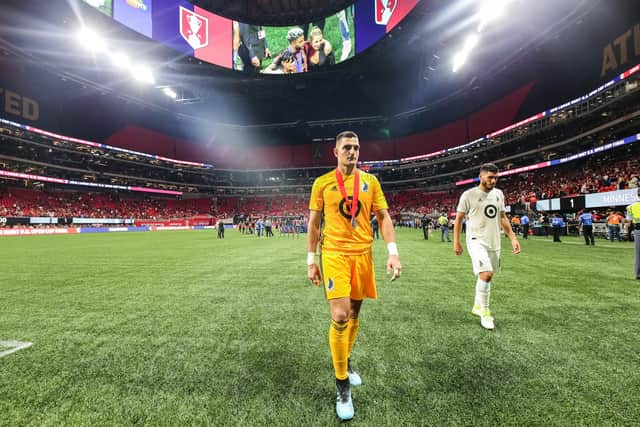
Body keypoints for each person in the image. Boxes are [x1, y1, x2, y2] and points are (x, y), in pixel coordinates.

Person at [306, 130, 402, 420]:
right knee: (340, 315)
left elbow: (383, 217)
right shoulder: (322, 183)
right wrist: (311, 260)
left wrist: (393, 252)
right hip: (334, 253)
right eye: (346, 147)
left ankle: (345, 363)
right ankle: (342, 384)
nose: (352, 152)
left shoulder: (370, 182)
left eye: (356, 147)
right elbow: (313, 224)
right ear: (335, 152)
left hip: (363, 254)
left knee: (356, 312)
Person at [453, 163, 521, 330]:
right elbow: (459, 219)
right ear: (481, 176)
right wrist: (456, 241)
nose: (493, 180)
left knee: (487, 275)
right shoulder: (468, 195)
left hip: (494, 241)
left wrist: (512, 238)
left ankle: (477, 304)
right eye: (490, 177)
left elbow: (503, 218)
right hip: (476, 240)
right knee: (486, 273)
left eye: (496, 177)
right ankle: (485, 312)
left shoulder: (498, 194)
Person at [626, 188, 640, 280]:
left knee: (638, 253)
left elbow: (629, 222)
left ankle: (638, 274)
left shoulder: (630, 207)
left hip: (638, 230)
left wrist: (628, 235)